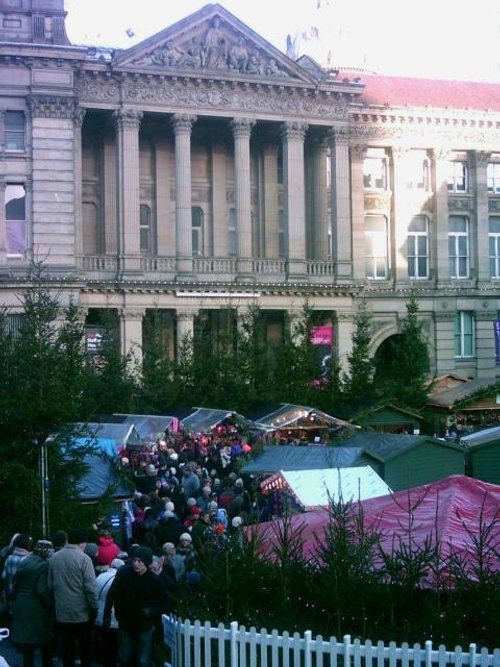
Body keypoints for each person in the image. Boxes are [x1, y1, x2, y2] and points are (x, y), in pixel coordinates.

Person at [103, 546, 170, 667]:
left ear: (147, 562)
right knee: (124, 657)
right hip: (125, 621)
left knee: (143, 660)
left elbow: (165, 602)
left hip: (144, 623)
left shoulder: (154, 580)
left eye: (140, 561)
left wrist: (150, 611)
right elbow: (112, 594)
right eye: (134, 560)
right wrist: (107, 612)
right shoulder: (124, 574)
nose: (136, 564)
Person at [48, 528, 98, 667]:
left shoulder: (54, 558)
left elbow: (50, 585)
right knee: (85, 648)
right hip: (81, 613)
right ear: (83, 543)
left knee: (66, 648)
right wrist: (94, 607)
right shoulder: (84, 558)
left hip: (62, 611)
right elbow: (90, 587)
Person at [10, 540, 54, 667]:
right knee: (45, 642)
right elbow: (41, 590)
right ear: (47, 552)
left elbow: (15, 583)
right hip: (36, 608)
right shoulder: (44, 566)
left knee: (27, 647)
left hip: (21, 605)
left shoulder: (26, 561)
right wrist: (51, 604)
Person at [94, 557, 125, 667]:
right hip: (110, 617)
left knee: (103, 640)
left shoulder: (101, 576)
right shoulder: (117, 579)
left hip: (98, 614)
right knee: (112, 643)